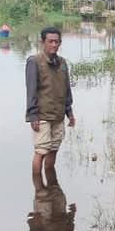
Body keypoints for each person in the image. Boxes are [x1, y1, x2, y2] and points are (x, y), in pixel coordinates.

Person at [25, 26, 75, 188]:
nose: (54, 45)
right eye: (50, 41)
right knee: (41, 151)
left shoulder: (62, 63)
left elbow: (66, 88)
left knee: (54, 149)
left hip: (58, 115)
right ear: (43, 43)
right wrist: (33, 115)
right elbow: (31, 90)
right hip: (42, 115)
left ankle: (52, 189)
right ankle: (39, 191)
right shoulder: (34, 62)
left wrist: (70, 112)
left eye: (57, 41)